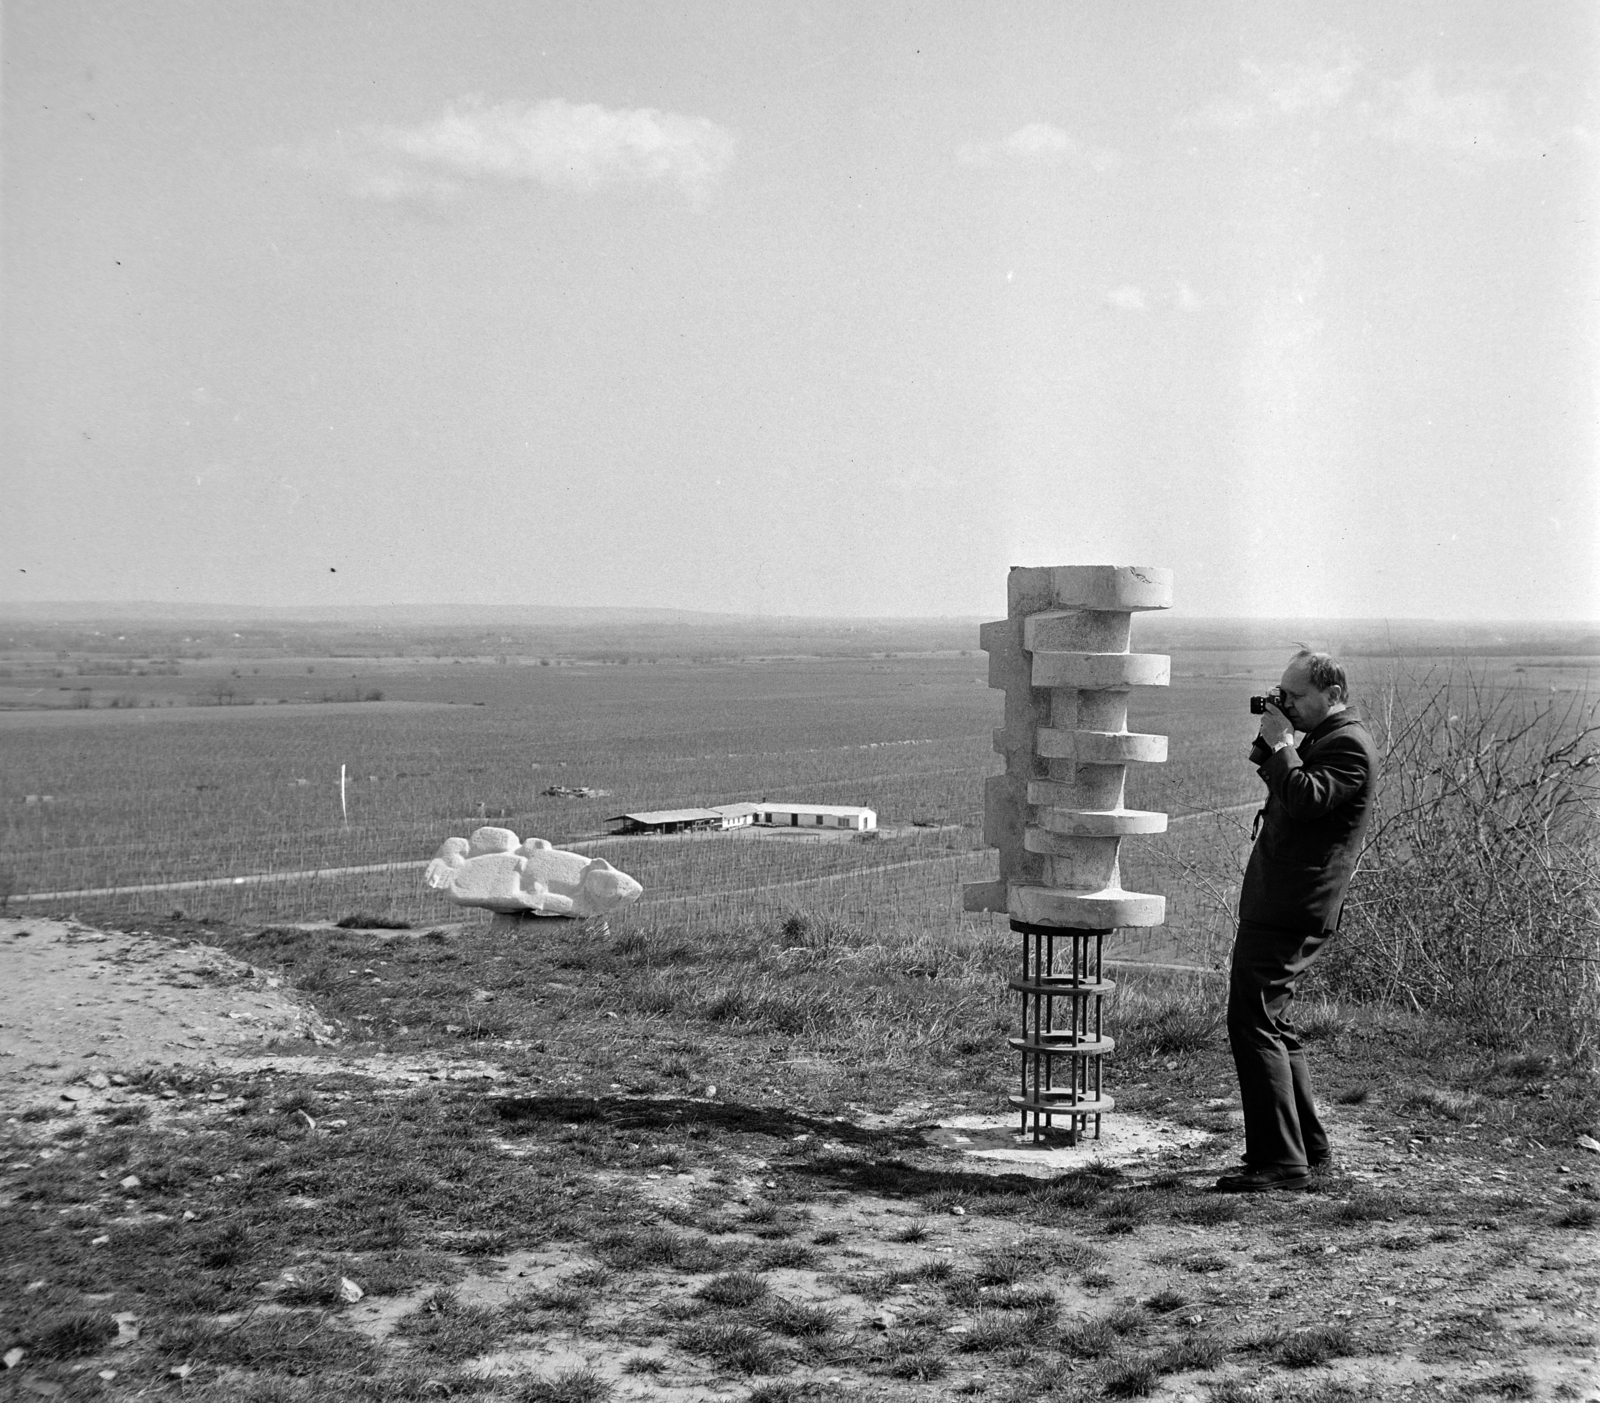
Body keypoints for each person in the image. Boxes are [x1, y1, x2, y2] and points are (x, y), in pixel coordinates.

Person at [1216, 649, 1378, 1193]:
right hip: (1285, 899)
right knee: (1275, 1023)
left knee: (1254, 1022)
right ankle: (1306, 1146)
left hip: (1292, 905)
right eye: (1281, 695)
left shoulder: (1349, 745)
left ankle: (1279, 1162)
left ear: (1332, 695)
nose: (1286, 704)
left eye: (1296, 697)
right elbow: (1293, 791)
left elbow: (1307, 800)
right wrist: (1278, 748)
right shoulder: (1327, 739)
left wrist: (1283, 746)